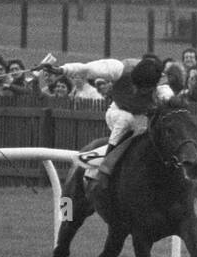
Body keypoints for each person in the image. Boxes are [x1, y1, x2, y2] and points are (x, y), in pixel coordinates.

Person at [38, 54, 170, 180]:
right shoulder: (119, 68)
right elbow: (87, 68)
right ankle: (105, 164)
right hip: (117, 111)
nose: (139, 91)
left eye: (144, 88)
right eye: (136, 85)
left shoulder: (164, 90)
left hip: (142, 118)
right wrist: (62, 69)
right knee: (126, 118)